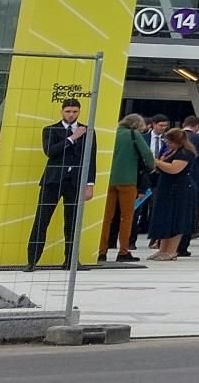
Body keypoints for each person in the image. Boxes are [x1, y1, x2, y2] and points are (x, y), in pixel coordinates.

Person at [28, 98, 97, 269]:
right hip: (53, 180)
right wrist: (73, 138)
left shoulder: (88, 131)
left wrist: (89, 184)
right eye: (68, 111)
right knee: (42, 219)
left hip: (74, 181)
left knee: (73, 221)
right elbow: (50, 152)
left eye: (74, 111)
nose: (71, 115)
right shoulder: (51, 130)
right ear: (62, 111)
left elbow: (91, 159)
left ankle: (71, 260)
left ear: (79, 112)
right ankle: (32, 260)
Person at [146, 127, 199, 261]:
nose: (167, 144)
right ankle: (162, 249)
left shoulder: (185, 153)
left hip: (180, 190)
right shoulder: (171, 151)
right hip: (166, 188)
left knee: (176, 220)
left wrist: (157, 161)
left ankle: (171, 251)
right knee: (165, 219)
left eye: (170, 142)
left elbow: (174, 169)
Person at [103, 113, 153, 263]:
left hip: (109, 180)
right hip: (128, 180)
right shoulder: (134, 134)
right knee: (127, 217)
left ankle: (101, 250)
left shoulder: (112, 133)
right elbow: (147, 155)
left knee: (107, 218)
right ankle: (123, 250)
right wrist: (151, 168)